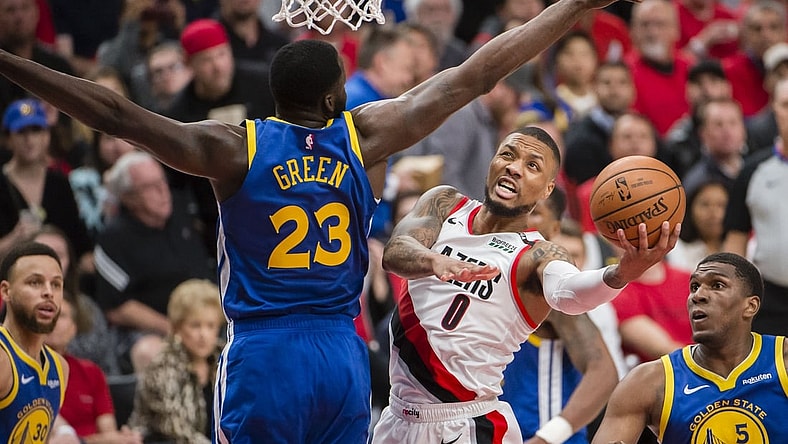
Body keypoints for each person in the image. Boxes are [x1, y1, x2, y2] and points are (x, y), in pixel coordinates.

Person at [0, 0, 642, 440]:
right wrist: (573, 7)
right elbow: (474, 76)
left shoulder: (232, 147)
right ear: (337, 96)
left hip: (266, 351)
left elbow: (116, 115)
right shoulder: (364, 137)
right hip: (342, 353)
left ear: (275, 95)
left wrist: (10, 62)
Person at [371, 126, 680, 443]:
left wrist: (621, 273)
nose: (514, 167)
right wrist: (435, 261)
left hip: (463, 425)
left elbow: (570, 291)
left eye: (532, 165)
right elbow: (395, 253)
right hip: (396, 416)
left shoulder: (536, 255)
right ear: (492, 161)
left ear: (547, 189)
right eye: (508, 154)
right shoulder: (444, 203)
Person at [591, 252, 788, 443]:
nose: (698, 295)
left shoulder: (782, 361)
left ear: (751, 306)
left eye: (717, 285)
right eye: (694, 287)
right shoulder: (648, 382)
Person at [499, 188, 619, 443]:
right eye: (518, 208)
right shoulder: (483, 276)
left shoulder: (548, 290)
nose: (523, 218)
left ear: (554, 229)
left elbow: (603, 373)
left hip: (542, 435)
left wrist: (548, 438)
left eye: (534, 212)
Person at [723, 76, 788, 336]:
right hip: (770, 301)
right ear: (773, 108)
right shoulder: (752, 171)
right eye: (786, 104)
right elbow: (735, 240)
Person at [128, 279, 224, 444]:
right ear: (177, 327)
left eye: (211, 326)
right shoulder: (162, 367)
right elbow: (178, 430)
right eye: (195, 326)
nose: (204, 335)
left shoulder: (225, 359)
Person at [46, 296, 143, 444]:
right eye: (49, 314)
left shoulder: (91, 372)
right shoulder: (26, 373)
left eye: (62, 316)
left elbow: (109, 432)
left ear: (73, 329)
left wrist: (122, 439)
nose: (54, 322)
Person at [0, 241, 69, 440]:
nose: (49, 292)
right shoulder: (3, 359)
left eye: (56, 284)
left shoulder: (60, 368)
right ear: (6, 291)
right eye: (35, 282)